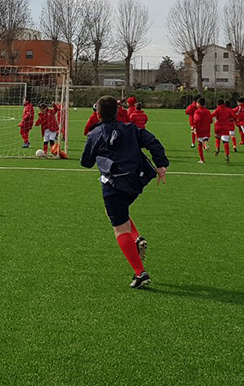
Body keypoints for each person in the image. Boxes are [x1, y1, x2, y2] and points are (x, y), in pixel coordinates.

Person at [80, 95, 169, 289]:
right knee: (117, 213)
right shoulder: (130, 128)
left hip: (114, 184)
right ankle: (137, 238)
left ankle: (140, 273)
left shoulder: (95, 134)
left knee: (119, 227)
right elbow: (153, 141)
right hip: (137, 181)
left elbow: (86, 163)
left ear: (98, 113)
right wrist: (161, 165)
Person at [212, 98, 236, 162]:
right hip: (225, 127)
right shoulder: (228, 110)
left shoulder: (217, 110)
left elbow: (211, 115)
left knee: (217, 137)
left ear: (217, 104)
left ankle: (217, 149)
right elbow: (234, 117)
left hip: (218, 126)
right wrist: (230, 119)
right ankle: (227, 155)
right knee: (225, 142)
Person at [190, 97, 212, 164]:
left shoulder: (197, 111)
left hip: (200, 129)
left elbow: (197, 119)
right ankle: (205, 143)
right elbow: (211, 120)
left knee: (199, 144)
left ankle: (202, 159)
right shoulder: (208, 111)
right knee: (205, 139)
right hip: (207, 129)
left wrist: (193, 126)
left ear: (199, 104)